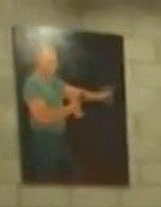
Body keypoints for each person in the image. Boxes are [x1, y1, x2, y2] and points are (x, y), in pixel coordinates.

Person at [20, 43, 113, 182]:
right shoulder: (32, 84)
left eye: (55, 60)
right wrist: (71, 108)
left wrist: (101, 96)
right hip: (43, 141)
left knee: (76, 175)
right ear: (38, 60)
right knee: (45, 180)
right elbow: (43, 116)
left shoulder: (52, 82)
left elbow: (76, 93)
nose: (54, 64)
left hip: (58, 138)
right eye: (49, 61)